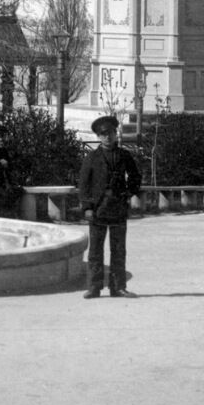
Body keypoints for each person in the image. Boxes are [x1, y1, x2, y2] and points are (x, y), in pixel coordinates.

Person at [77, 114, 143, 298]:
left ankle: (118, 287)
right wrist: (87, 208)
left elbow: (136, 177)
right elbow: (84, 185)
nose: (108, 137)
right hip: (98, 209)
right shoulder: (91, 157)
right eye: (103, 134)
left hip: (118, 208)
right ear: (98, 136)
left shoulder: (124, 155)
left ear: (116, 134)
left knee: (119, 250)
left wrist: (128, 193)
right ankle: (94, 287)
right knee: (96, 251)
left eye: (111, 133)